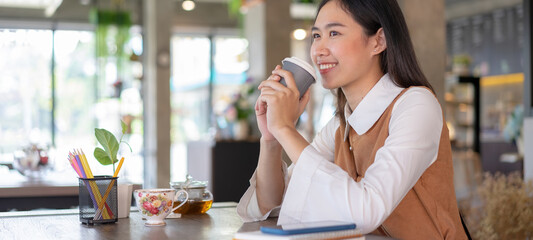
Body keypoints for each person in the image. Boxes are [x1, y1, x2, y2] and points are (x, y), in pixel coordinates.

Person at [237, 0, 468, 239]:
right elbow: (273, 205)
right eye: (317, 36)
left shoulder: (416, 106)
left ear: (378, 41)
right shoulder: (340, 125)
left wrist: (286, 129)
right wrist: (272, 138)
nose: (318, 50)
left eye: (334, 33)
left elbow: (366, 212)